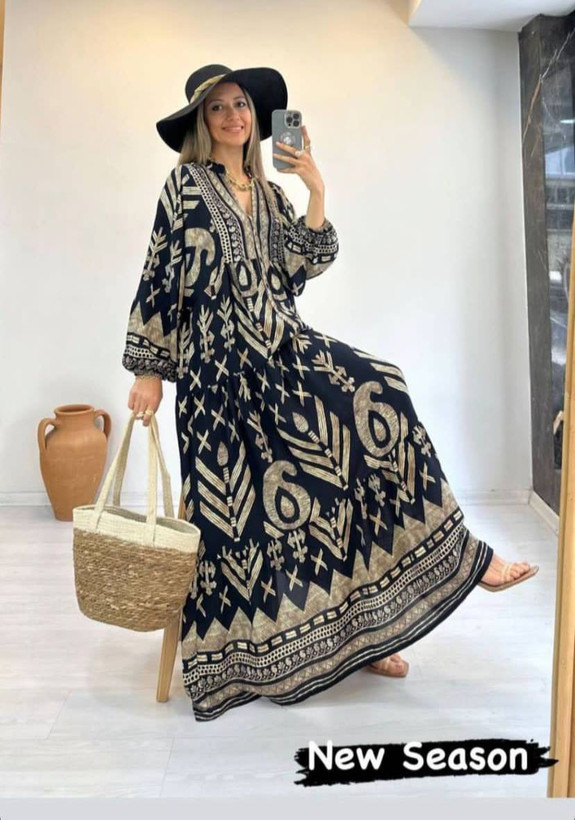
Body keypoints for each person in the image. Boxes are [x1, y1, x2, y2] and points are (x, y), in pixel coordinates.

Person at [121, 64, 539, 721]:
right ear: (201, 122)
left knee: (379, 394)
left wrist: (314, 187)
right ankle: (263, 653)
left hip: (283, 350)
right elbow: (159, 272)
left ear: (256, 116)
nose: (233, 117)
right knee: (252, 512)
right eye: (218, 108)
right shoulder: (185, 185)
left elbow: (302, 266)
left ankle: (400, 608)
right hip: (218, 375)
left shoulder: (270, 192)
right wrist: (147, 368)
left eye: (241, 105)